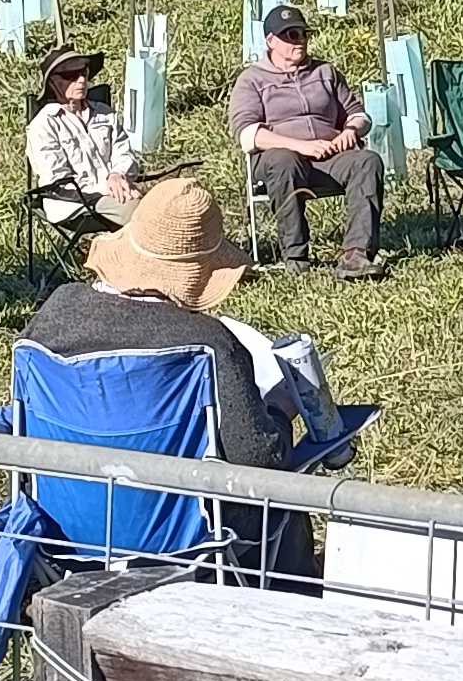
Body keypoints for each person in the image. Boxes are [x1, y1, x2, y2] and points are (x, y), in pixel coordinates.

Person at [20, 175, 297, 469]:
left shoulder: (57, 310)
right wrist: (279, 407)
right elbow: (258, 457)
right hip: (182, 511)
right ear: (201, 273)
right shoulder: (208, 345)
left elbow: (23, 418)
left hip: (62, 506)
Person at [230, 4, 383, 280]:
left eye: (303, 34)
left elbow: (360, 115)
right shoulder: (252, 80)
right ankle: (296, 257)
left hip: (330, 155)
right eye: (290, 35)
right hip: (281, 159)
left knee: (367, 161)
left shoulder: (325, 72)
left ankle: (356, 254)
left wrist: (351, 130)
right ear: (271, 41)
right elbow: (248, 134)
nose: (298, 41)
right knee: (284, 160)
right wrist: (299, 145)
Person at [23, 49, 140, 237]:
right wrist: (107, 187)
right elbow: (58, 181)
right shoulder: (44, 125)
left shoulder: (105, 114)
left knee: (171, 203)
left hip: (119, 193)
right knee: (145, 215)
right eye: (70, 76)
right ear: (52, 82)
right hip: (73, 204)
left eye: (83, 73)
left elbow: (124, 153)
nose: (81, 81)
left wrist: (118, 175)